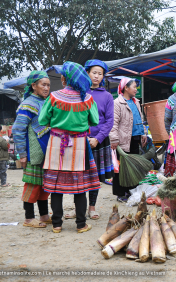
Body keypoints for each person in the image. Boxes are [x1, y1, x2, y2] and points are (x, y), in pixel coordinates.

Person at [39, 62, 100, 233]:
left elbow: (43, 120)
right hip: (79, 145)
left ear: (65, 78)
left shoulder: (54, 97)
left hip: (56, 144)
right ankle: (81, 224)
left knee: (56, 187)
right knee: (80, 187)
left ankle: (57, 224)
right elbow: (94, 121)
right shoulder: (88, 99)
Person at [12, 71, 51, 228]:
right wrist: (22, 154)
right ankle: (29, 217)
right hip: (33, 152)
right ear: (33, 86)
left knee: (44, 184)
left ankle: (43, 215)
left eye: (48, 85)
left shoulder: (46, 101)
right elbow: (18, 129)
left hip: (45, 151)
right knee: (32, 184)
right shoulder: (28, 104)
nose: (47, 88)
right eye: (43, 84)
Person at [82, 59, 114, 219]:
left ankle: (92, 207)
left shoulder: (107, 96)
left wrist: (97, 138)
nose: (96, 76)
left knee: (94, 176)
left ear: (103, 76)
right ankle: (78, 208)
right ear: (87, 73)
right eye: (94, 72)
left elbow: (109, 121)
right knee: (79, 175)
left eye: (100, 74)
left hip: (98, 141)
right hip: (80, 140)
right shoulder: (80, 92)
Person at [110, 77, 147, 202]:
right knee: (121, 168)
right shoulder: (117, 103)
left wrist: (144, 133)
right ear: (126, 87)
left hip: (135, 138)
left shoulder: (136, 102)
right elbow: (113, 123)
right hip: (123, 140)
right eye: (134, 87)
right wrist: (114, 139)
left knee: (133, 166)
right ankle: (120, 193)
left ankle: (131, 191)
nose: (136, 89)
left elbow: (140, 119)